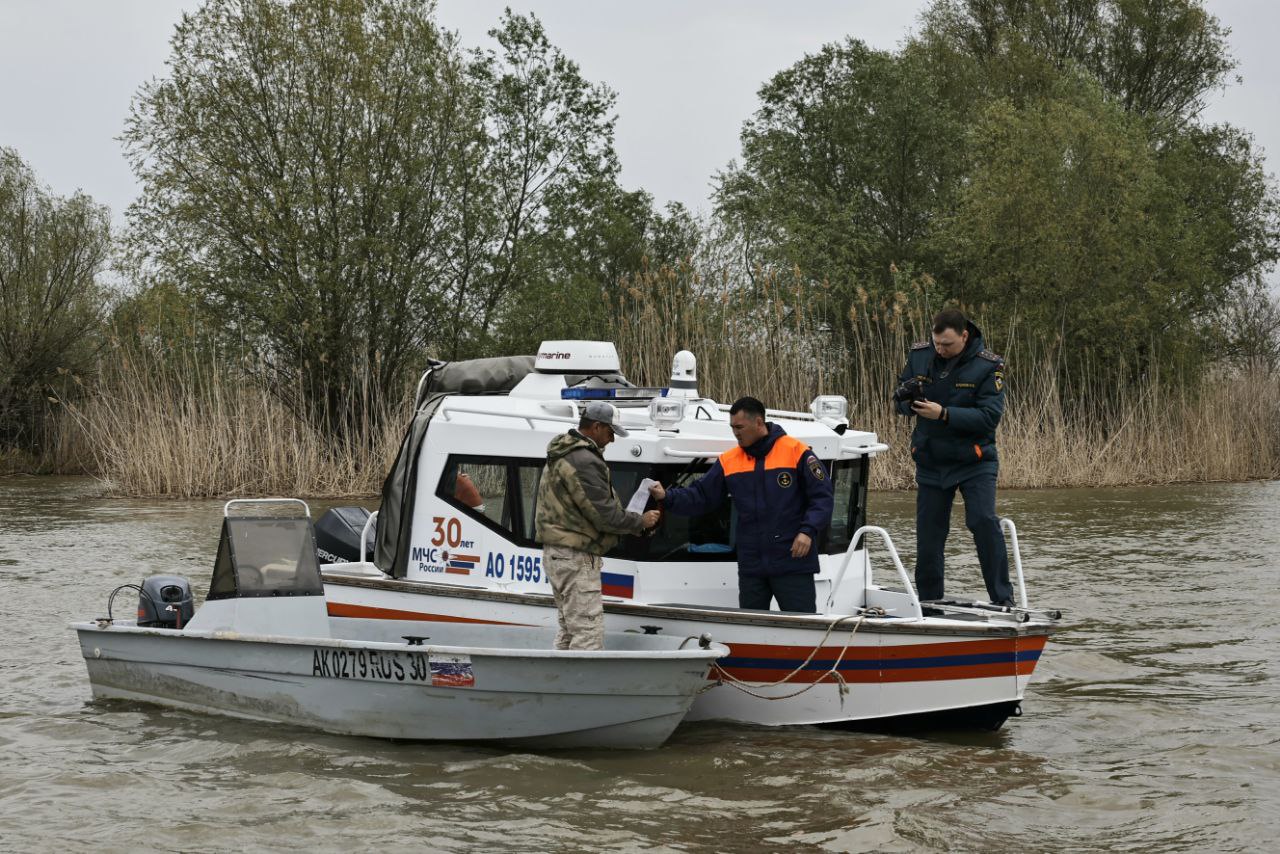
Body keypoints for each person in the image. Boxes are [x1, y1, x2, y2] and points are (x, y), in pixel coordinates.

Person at [649, 397, 834, 613]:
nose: (736, 433)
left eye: (739, 427)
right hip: (752, 564)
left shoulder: (797, 452)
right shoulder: (729, 461)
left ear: (758, 423)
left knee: (802, 625)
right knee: (751, 625)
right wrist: (666, 496)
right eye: (732, 428)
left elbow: (823, 496)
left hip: (792, 560)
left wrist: (807, 531)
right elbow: (701, 495)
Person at [896, 308, 1014, 606]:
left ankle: (1004, 601)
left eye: (947, 344)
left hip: (974, 460)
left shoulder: (990, 365)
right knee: (929, 537)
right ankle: (928, 603)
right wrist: (908, 401)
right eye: (937, 343)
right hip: (931, 459)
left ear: (964, 336)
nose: (940, 349)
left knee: (983, 522)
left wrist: (944, 414)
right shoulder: (920, 355)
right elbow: (898, 402)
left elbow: (989, 417)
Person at [535, 400, 660, 649]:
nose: (612, 439)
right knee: (588, 635)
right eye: (611, 432)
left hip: (558, 554)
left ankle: (559, 685)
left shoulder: (563, 452)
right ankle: (581, 687)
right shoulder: (585, 460)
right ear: (596, 427)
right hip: (576, 556)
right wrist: (640, 521)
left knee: (570, 631)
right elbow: (604, 515)